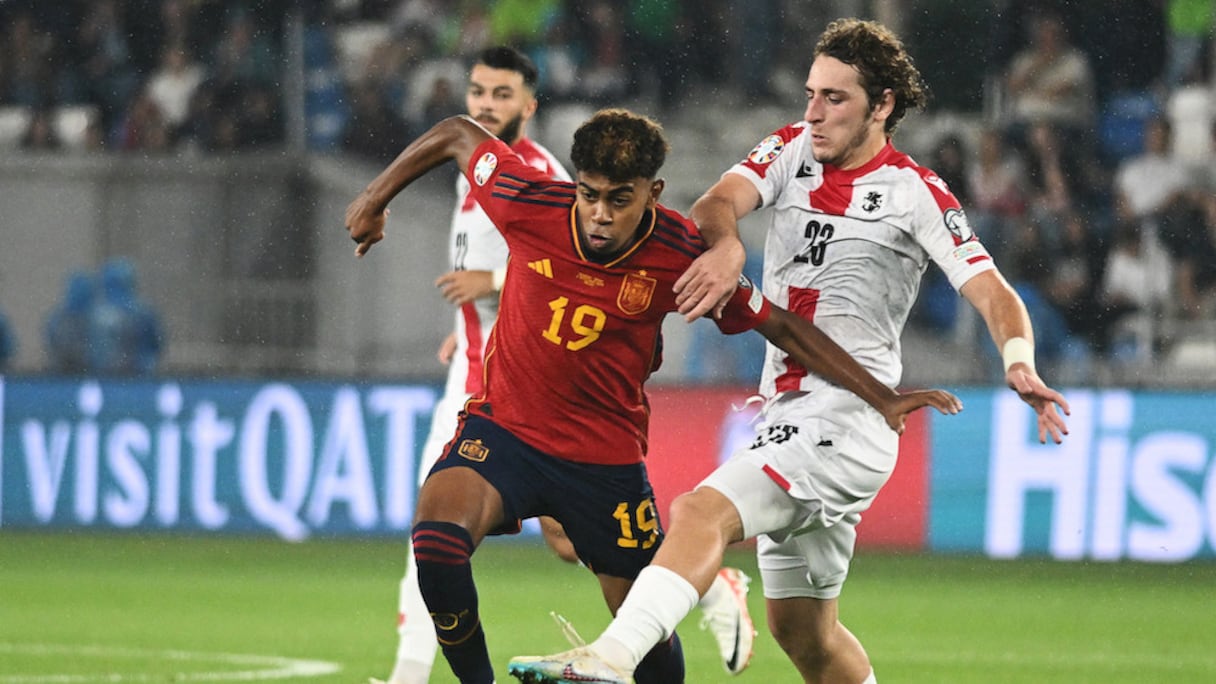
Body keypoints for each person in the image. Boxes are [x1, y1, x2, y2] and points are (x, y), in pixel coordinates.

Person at [508, 19, 1071, 684]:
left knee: (697, 511)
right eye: (810, 93)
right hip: (785, 410)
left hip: (848, 418)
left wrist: (1019, 362)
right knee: (804, 634)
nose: (814, 112)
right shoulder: (790, 149)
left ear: (882, 105)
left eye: (835, 98)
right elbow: (717, 203)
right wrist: (727, 245)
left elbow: (994, 292)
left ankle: (610, 659)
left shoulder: (915, 193)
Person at [345, 107, 961, 684]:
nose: (600, 215)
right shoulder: (526, 201)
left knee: (646, 642)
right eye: (589, 195)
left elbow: (781, 324)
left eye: (620, 200)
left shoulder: (678, 255)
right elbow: (458, 132)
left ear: (653, 194)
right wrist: (375, 199)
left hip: (603, 466)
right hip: (504, 432)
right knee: (436, 543)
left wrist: (881, 395)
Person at [371, 47, 760, 684]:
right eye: (477, 92)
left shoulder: (546, 177)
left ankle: (705, 584)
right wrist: (464, 327)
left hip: (557, 393)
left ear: (530, 104)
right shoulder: (474, 181)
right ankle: (412, 673)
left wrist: (488, 281)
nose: (485, 105)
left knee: (571, 548)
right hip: (485, 382)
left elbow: (562, 265)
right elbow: (531, 273)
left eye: (502, 95)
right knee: (440, 537)